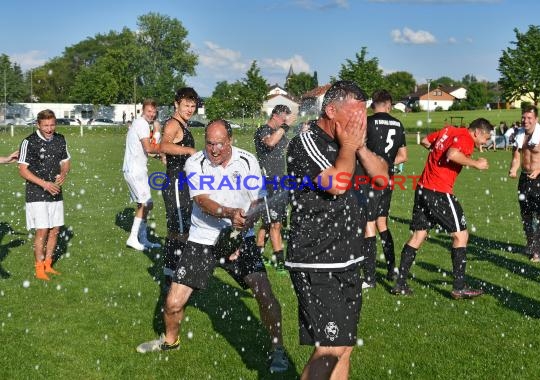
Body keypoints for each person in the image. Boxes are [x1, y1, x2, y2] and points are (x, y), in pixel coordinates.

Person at [137, 120, 289, 373]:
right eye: (209, 143)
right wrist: (229, 213)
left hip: (241, 238)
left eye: (219, 143)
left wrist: (246, 221)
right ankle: (170, 342)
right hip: (202, 240)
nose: (214, 149)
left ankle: (278, 350)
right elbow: (202, 200)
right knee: (173, 302)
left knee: (265, 294)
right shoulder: (195, 162)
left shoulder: (248, 160)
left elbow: (258, 200)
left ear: (230, 140)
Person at [286, 81, 388, 379]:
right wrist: (349, 147)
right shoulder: (306, 142)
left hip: (346, 258)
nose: (362, 121)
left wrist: (359, 147)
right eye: (355, 114)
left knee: (344, 347)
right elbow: (337, 184)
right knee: (330, 348)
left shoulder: (352, 142)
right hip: (315, 259)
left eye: (363, 114)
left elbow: (382, 178)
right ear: (331, 110)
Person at [391, 118, 493, 299]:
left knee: (418, 235)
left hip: (422, 188)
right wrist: (475, 163)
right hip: (439, 191)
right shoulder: (466, 138)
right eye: (486, 138)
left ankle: (400, 283)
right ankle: (459, 287)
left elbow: (425, 141)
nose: (485, 142)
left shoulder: (449, 130)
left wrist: (437, 153)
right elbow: (452, 154)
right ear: (477, 132)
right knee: (461, 235)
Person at [361, 89, 407, 288]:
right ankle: (391, 269)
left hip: (370, 179)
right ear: (389, 105)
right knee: (382, 223)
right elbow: (404, 156)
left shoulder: (368, 123)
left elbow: (358, 148)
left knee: (368, 224)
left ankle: (370, 279)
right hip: (388, 179)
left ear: (375, 104)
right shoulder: (399, 124)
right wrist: (387, 164)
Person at [17, 109, 71, 280]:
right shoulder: (29, 142)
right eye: (46, 125)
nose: (49, 128)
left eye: (52, 124)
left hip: (55, 191)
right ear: (38, 125)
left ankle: (48, 264)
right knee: (42, 231)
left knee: (55, 230)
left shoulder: (60, 139)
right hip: (36, 193)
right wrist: (44, 184)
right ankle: (39, 267)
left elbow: (66, 161)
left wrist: (63, 173)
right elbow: (23, 170)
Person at [508, 105, 540, 262]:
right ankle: (530, 244)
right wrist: (513, 170)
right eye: (524, 117)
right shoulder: (519, 135)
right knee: (526, 215)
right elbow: (516, 157)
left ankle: (538, 251)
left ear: (536, 119)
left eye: (529, 118)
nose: (525, 120)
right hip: (525, 178)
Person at [159, 87, 199, 286]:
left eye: (193, 106)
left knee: (176, 230)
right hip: (176, 183)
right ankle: (179, 276)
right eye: (186, 105)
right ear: (176, 104)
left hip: (180, 182)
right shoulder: (174, 124)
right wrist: (189, 150)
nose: (190, 109)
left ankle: (170, 273)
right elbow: (164, 145)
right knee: (183, 232)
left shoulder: (183, 124)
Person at [253, 104, 295, 271]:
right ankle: (280, 263)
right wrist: (285, 126)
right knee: (275, 224)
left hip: (280, 181)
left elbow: (289, 146)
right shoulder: (263, 131)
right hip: (268, 182)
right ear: (276, 116)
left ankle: (256, 256)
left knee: (269, 222)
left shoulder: (281, 133)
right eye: (284, 118)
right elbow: (270, 143)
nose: (285, 122)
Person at [122, 99, 162, 251]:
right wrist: (158, 133)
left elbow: (148, 151)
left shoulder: (141, 124)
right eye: (149, 111)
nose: (152, 114)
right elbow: (149, 148)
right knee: (144, 204)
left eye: (154, 112)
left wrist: (161, 157)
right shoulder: (142, 124)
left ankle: (143, 238)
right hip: (134, 170)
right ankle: (132, 238)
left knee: (148, 204)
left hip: (139, 170)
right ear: (142, 110)